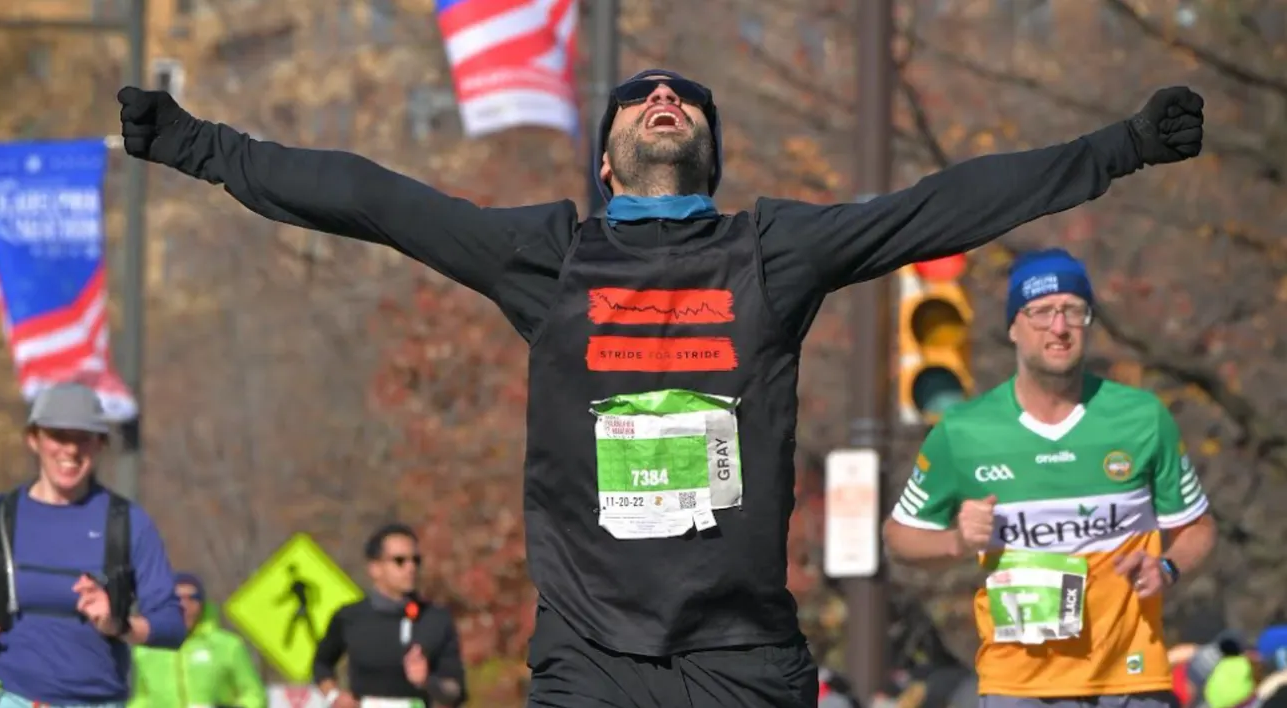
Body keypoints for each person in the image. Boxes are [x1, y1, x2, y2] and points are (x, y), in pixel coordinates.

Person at [114, 68, 1205, 707]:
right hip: (591, 657)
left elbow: (945, 204)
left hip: (741, 654)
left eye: (682, 96)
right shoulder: (550, 259)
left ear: (710, 154)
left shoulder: (767, 254)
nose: (663, 96)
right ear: (605, 160)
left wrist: (1116, 148)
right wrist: (203, 147)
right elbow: (371, 198)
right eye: (638, 97)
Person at [883, 250, 1218, 708]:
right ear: (1013, 327)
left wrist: (1166, 567)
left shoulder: (1142, 418)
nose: (1058, 327)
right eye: (1040, 312)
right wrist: (956, 542)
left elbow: (1197, 527)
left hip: (1129, 679)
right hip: (1020, 686)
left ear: (1087, 321)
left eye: (1073, 311)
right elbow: (900, 536)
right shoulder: (964, 432)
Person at [0, 383, 186, 707]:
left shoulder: (127, 522)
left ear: (100, 444)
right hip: (6, 697)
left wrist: (118, 624)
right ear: (33, 439)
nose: (70, 450)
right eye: (58, 436)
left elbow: (172, 625)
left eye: (83, 438)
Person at [313, 523, 465, 708]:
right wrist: (334, 696)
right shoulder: (351, 617)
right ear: (375, 568)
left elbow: (455, 692)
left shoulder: (436, 618)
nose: (410, 568)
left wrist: (427, 681)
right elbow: (321, 664)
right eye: (400, 560)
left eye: (415, 560)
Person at [128, 572, 267, 708]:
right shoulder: (146, 651)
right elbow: (142, 699)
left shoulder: (228, 646)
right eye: (177, 598)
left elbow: (255, 696)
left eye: (192, 598)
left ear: (202, 604)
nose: (184, 605)